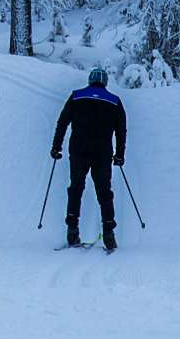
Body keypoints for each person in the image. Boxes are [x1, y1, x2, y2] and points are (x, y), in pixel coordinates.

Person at [52, 67, 128, 251]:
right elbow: (121, 130)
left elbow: (62, 122)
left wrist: (56, 146)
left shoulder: (76, 96)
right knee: (104, 192)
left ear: (90, 80)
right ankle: (109, 234)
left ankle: (72, 230)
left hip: (78, 149)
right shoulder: (114, 101)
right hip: (102, 151)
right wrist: (119, 155)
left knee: (76, 188)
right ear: (105, 82)